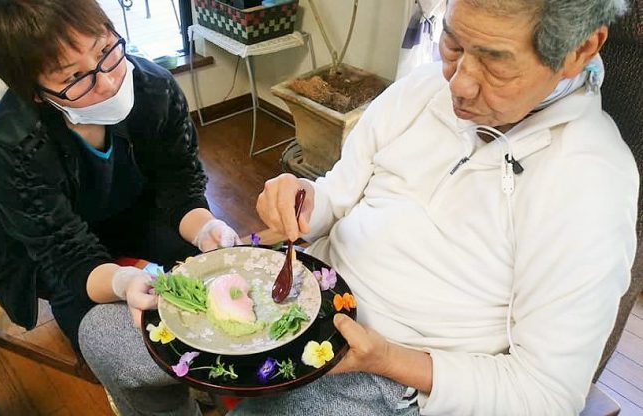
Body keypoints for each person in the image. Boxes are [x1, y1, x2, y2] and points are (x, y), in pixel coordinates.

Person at [241, 0, 639, 415]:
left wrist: (387, 359)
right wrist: (304, 199)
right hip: (308, 297)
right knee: (170, 342)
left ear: (579, 50)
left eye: (495, 64)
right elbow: (337, 195)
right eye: (452, 45)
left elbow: (545, 396)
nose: (459, 84)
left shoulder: (590, 183)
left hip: (390, 378)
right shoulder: (422, 88)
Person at [0, 1, 239, 414]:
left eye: (105, 50)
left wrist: (204, 227)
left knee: (217, 269)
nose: (110, 82)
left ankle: (227, 379)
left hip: (130, 210)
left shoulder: (154, 88)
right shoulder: (11, 143)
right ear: (36, 93)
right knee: (115, 346)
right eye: (75, 77)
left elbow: (179, 184)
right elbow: (66, 258)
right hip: (57, 246)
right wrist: (121, 282)